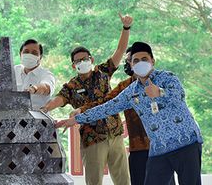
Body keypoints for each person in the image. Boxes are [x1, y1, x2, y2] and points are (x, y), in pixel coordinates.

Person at [57, 41, 203, 185]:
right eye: (136, 61)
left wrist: (159, 92)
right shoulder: (131, 92)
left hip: (186, 143)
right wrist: (77, 119)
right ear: (131, 65)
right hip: (159, 148)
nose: (140, 63)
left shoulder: (167, 77)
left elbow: (179, 95)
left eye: (144, 59)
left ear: (152, 61)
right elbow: (106, 108)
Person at [40, 13, 133, 185]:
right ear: (73, 66)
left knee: (123, 181)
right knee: (94, 181)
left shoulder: (103, 72)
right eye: (78, 61)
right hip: (93, 139)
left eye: (85, 59)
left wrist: (126, 28)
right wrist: (44, 110)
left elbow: (120, 51)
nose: (82, 62)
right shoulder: (72, 86)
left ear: (92, 59)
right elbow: (59, 99)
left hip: (115, 134)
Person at [71, 47, 174, 185]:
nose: (135, 64)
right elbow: (105, 103)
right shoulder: (125, 87)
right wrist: (82, 110)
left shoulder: (163, 80)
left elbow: (176, 105)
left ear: (151, 61)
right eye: (131, 61)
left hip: (162, 146)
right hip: (137, 149)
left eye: (141, 60)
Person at [0, 27, 55, 109]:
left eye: (34, 53)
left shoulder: (46, 74)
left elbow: (46, 88)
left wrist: (34, 88)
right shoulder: (12, 71)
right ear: (20, 54)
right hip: (12, 116)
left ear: (40, 57)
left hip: (38, 117)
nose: (29, 55)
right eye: (26, 52)